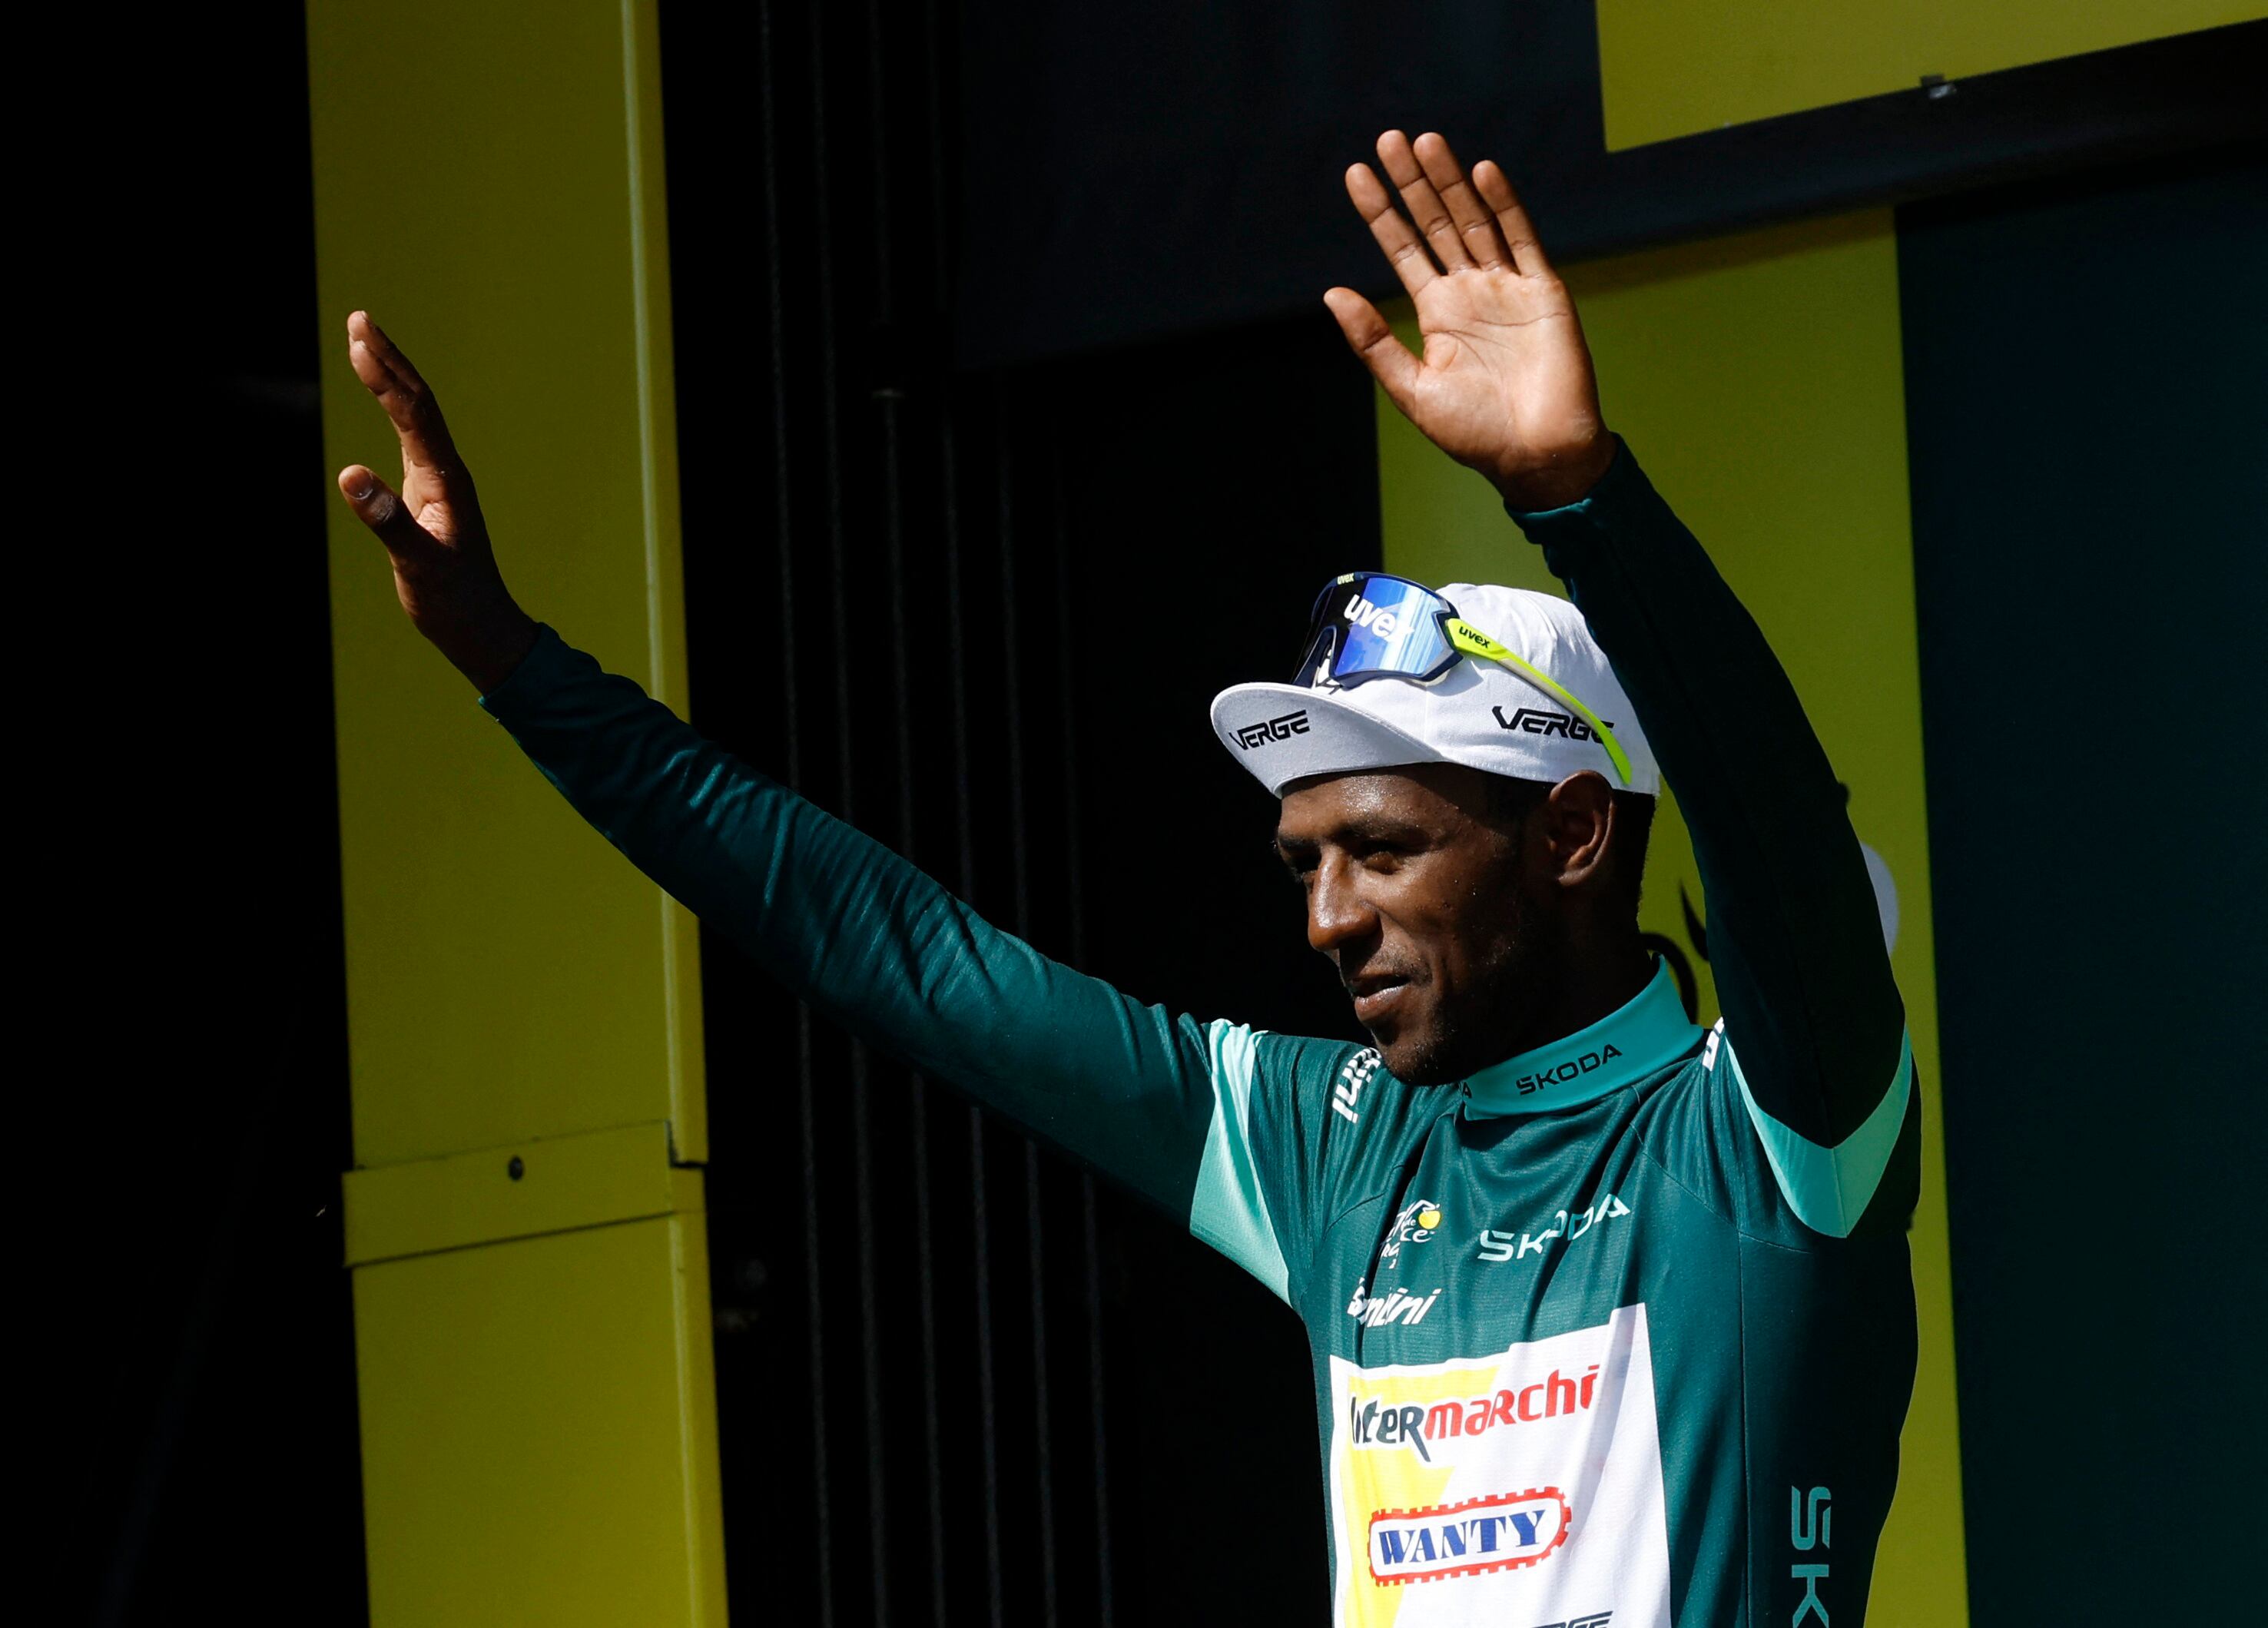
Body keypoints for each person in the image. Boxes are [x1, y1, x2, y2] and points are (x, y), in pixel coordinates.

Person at [337, 131, 1918, 1627]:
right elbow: (897, 951)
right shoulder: (1330, 1148)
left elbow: (1772, 827)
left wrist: (1581, 496)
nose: (1325, 918)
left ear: (1572, 835)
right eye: (1307, 861)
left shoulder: (1775, 1130)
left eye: (1381, 849)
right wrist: (515, 667)